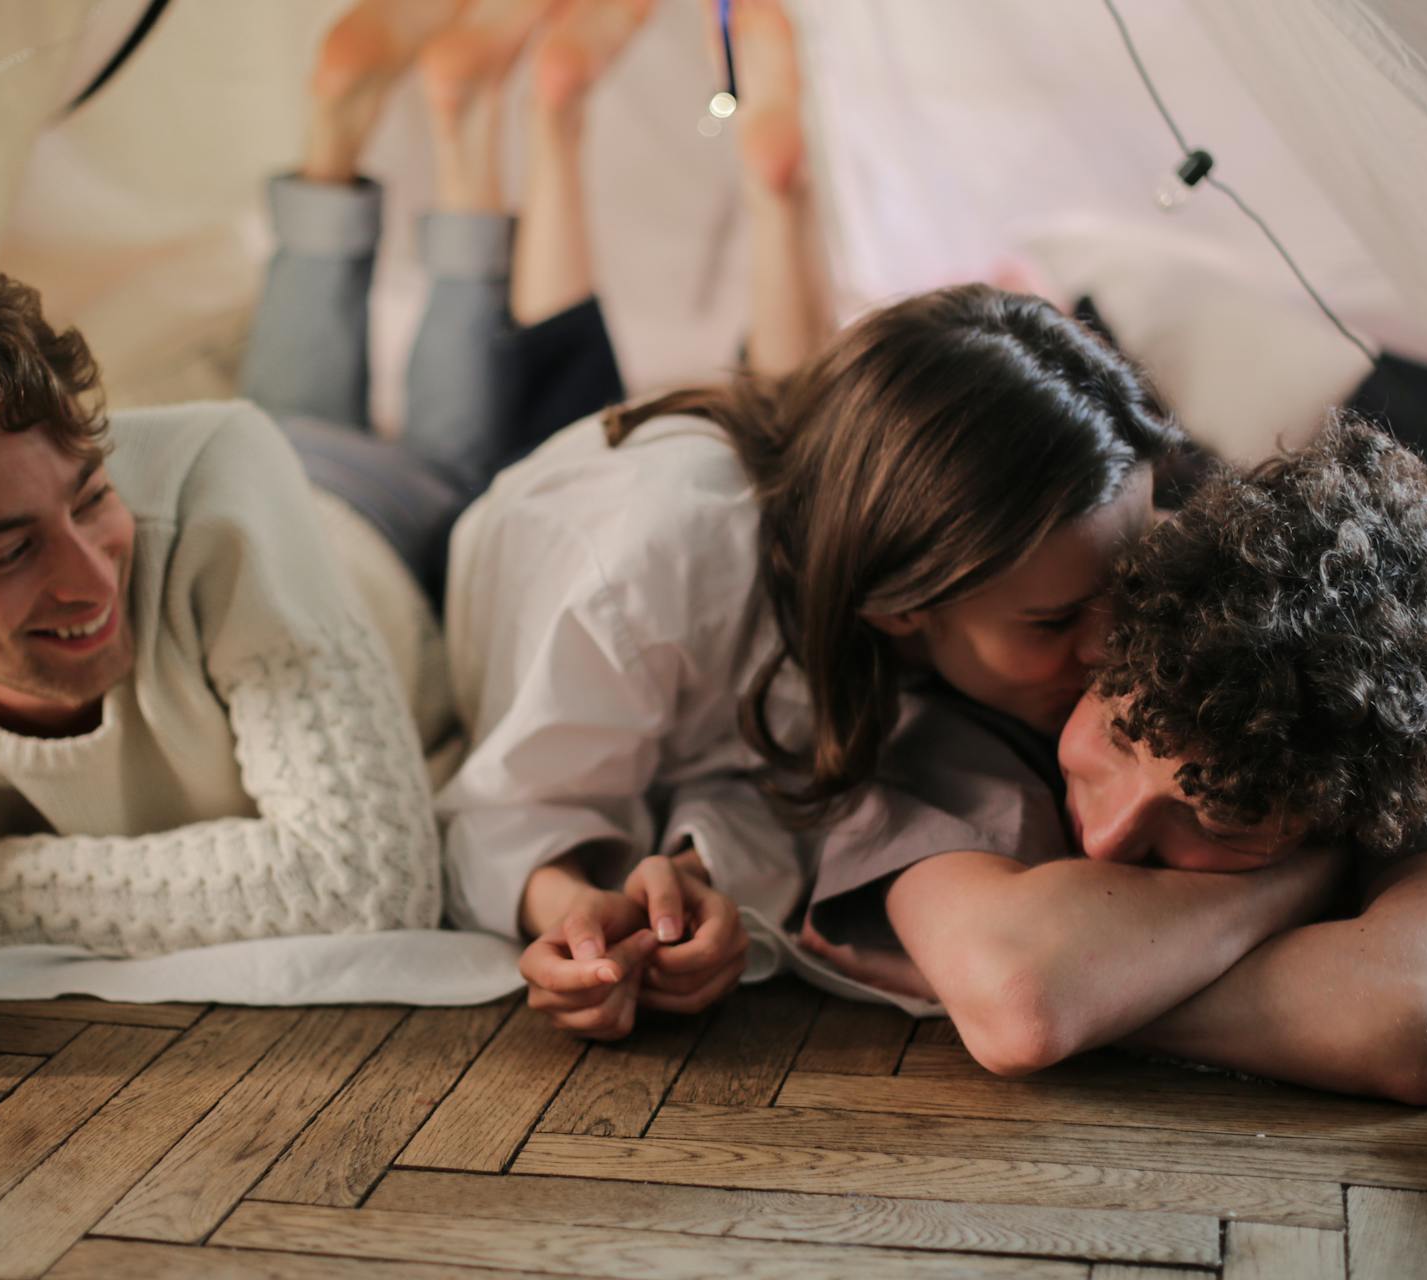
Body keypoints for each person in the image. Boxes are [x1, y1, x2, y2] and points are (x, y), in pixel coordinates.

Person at [0, 0, 639, 1064]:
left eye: (93, 493)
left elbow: (366, 877)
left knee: (489, 450)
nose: (93, 574)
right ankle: (398, 115)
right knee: (293, 403)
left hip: (374, 516)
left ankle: (469, 129)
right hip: (264, 485)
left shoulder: (209, 470)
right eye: (6, 549)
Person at [437, 2, 1193, 1037]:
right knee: (503, 400)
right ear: (899, 610)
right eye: (1056, 622)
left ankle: (766, 187)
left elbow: (779, 773)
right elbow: (500, 808)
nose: (1113, 649)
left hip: (765, 472)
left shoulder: (921, 579)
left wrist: (696, 884)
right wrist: (577, 921)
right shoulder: (642, 575)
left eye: (1129, 588)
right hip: (473, 528)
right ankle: (530, 127)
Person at [801, 419, 1427, 1104]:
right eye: (1121, 740)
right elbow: (1024, 1001)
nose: (1106, 840)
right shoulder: (1019, 660)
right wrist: (1309, 876)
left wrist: (1094, 992)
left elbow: (1415, 1018)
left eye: (1219, 817)